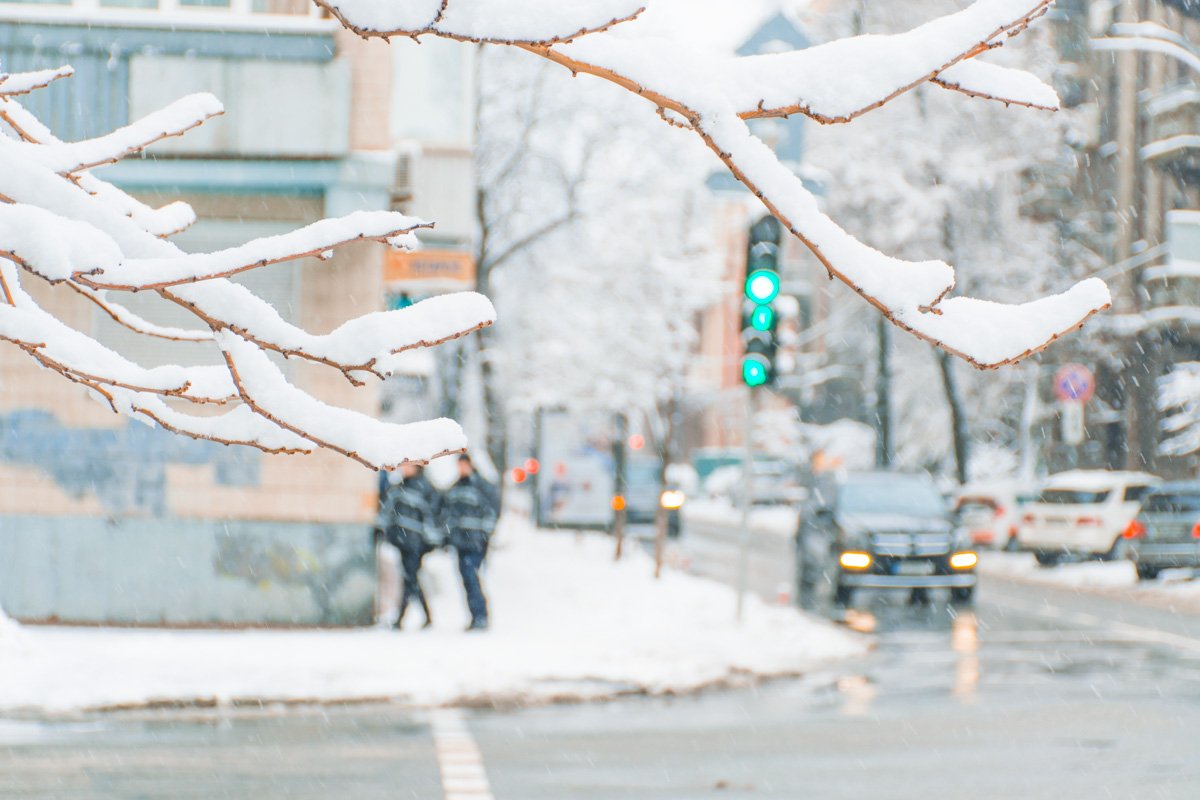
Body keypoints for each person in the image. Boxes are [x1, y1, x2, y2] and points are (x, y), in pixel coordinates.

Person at [381, 462, 441, 630]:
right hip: (402, 541)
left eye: (408, 466)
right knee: (411, 579)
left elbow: (432, 516)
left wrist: (430, 541)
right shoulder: (398, 487)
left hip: (416, 544)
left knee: (409, 579)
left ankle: (401, 618)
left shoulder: (425, 488)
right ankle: (425, 616)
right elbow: (388, 510)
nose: (404, 469)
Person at [443, 454, 500, 631]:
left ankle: (481, 616)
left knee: (471, 576)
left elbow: (492, 511)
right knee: (467, 579)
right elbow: (447, 510)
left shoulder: (481, 487)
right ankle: (476, 616)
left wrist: (484, 533)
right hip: (461, 542)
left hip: (476, 542)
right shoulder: (456, 487)